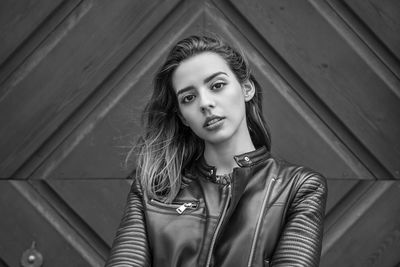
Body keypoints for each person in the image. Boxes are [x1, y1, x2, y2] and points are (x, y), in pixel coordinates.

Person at [105, 35, 327, 267]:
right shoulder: (152, 189)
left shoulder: (299, 187)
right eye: (189, 97)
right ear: (183, 117)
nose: (205, 103)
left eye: (217, 85)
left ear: (246, 88)